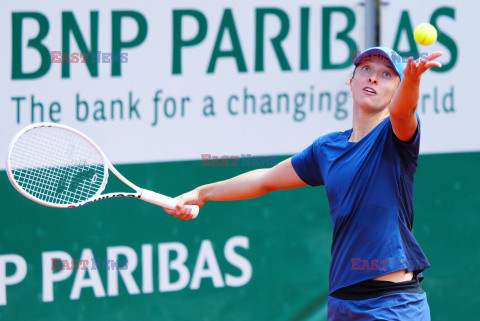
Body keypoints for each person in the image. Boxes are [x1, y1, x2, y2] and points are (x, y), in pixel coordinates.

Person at [164, 47, 442, 320]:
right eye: (366, 69)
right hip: (342, 304)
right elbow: (265, 179)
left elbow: (404, 111)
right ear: (351, 80)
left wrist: (413, 80)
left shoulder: (395, 137)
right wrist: (202, 193)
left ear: (396, 89)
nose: (372, 78)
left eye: (386, 75)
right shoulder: (327, 149)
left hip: (392, 305)